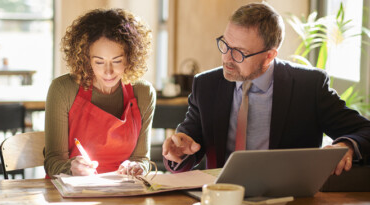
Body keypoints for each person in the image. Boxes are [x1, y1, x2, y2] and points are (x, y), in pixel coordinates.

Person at [162, 2, 370, 175]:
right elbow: (189, 141)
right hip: (221, 201)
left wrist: (348, 146)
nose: (226, 58)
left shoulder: (308, 86)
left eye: (239, 53)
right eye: (225, 44)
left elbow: (365, 130)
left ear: (270, 55)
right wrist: (179, 151)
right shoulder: (206, 85)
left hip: (290, 203)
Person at [44, 8, 155, 177]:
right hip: (72, 193)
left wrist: (137, 167)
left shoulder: (143, 93)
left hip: (125, 193)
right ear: (86, 59)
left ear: (130, 58)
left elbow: (142, 158)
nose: (108, 71)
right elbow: (52, 162)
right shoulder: (62, 89)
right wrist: (71, 168)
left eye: (117, 61)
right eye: (99, 62)